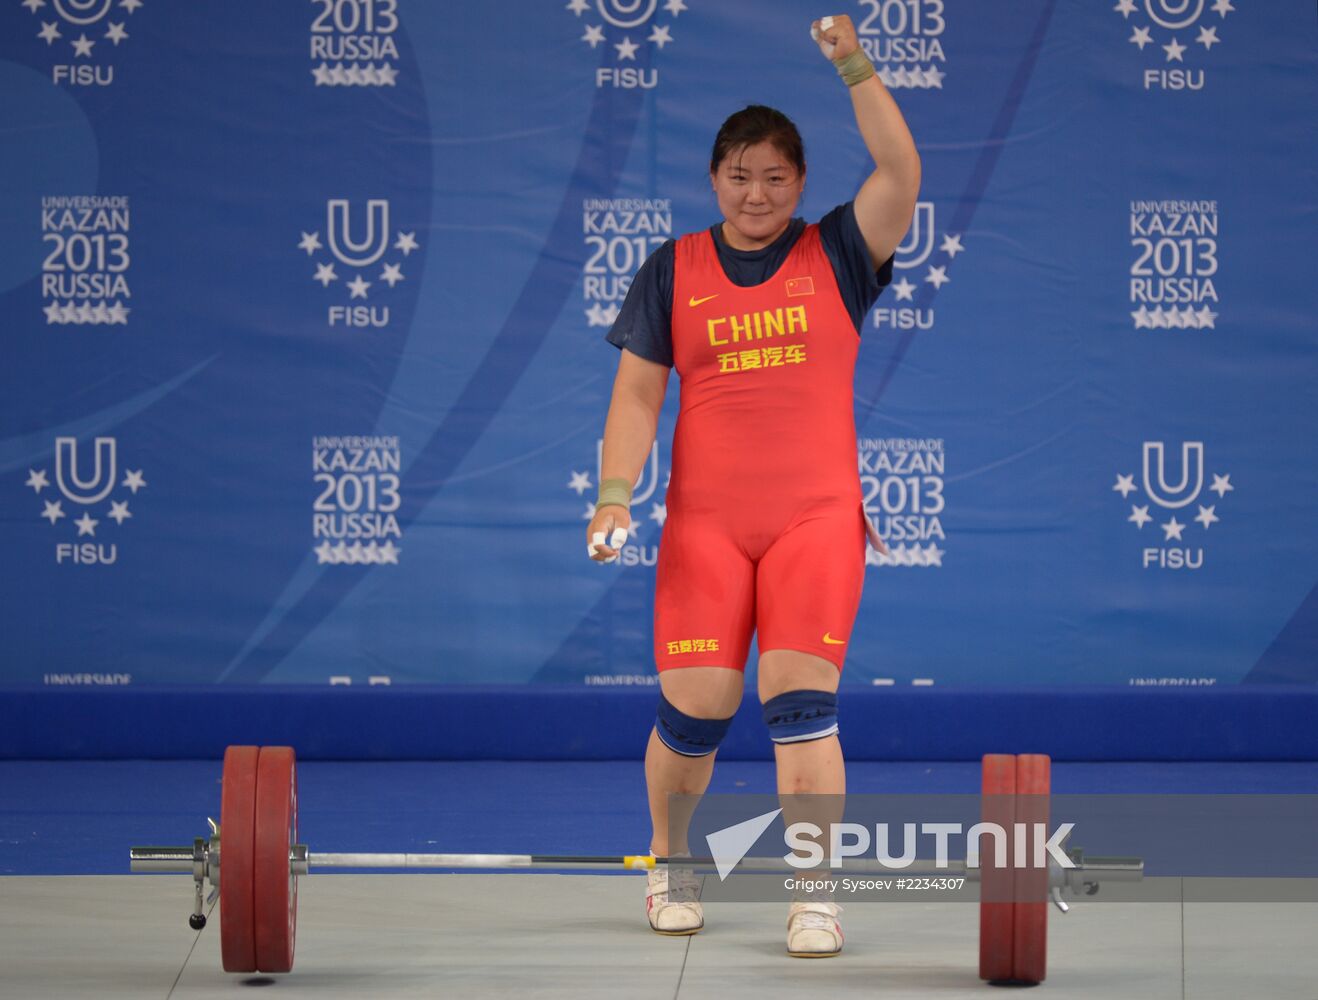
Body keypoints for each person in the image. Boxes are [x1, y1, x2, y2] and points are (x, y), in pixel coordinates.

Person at [587, 14, 920, 957]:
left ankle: (815, 892)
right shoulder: (674, 268)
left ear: (801, 184)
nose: (757, 191)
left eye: (776, 176)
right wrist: (616, 491)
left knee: (799, 699)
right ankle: (670, 859)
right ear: (713, 180)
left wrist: (852, 64)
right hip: (706, 525)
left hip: (814, 519)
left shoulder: (841, 255)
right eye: (739, 174)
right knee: (695, 709)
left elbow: (900, 174)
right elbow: (639, 393)